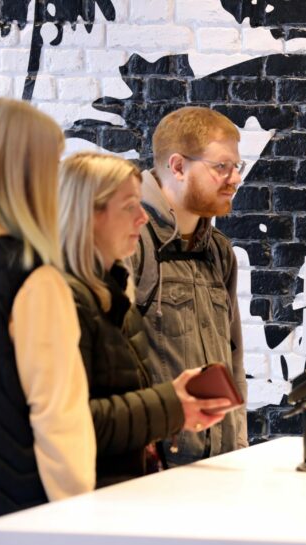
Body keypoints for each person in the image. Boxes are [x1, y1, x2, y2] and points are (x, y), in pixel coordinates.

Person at [0, 98, 95, 545]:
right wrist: (79, 515)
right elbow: (59, 416)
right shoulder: (33, 279)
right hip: (8, 512)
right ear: (30, 175)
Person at [58, 152, 235, 487]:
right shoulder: (65, 300)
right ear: (87, 214)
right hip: (84, 503)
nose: (142, 218)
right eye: (129, 206)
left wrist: (176, 407)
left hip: (118, 493)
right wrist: (172, 403)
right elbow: (74, 421)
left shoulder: (111, 295)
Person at [128, 106, 248, 466]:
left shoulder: (218, 251)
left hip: (216, 467)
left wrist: (238, 449)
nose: (235, 178)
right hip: (153, 475)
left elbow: (234, 360)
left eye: (236, 167)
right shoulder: (133, 242)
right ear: (178, 166)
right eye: (221, 166)